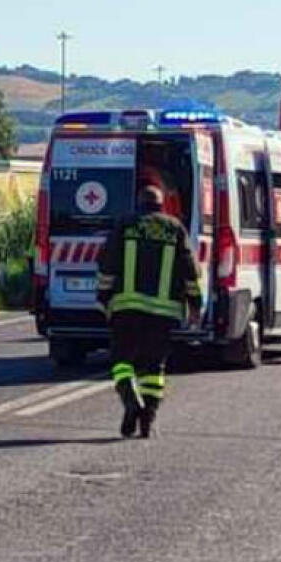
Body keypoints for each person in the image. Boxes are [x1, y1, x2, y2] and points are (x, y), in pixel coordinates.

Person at [96, 185, 202, 439]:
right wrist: (195, 305)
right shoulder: (175, 228)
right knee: (154, 368)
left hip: (126, 309)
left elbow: (107, 264)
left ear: (139, 203)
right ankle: (147, 421)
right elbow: (190, 270)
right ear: (161, 204)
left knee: (121, 362)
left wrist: (103, 298)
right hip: (162, 313)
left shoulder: (125, 224)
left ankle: (131, 401)